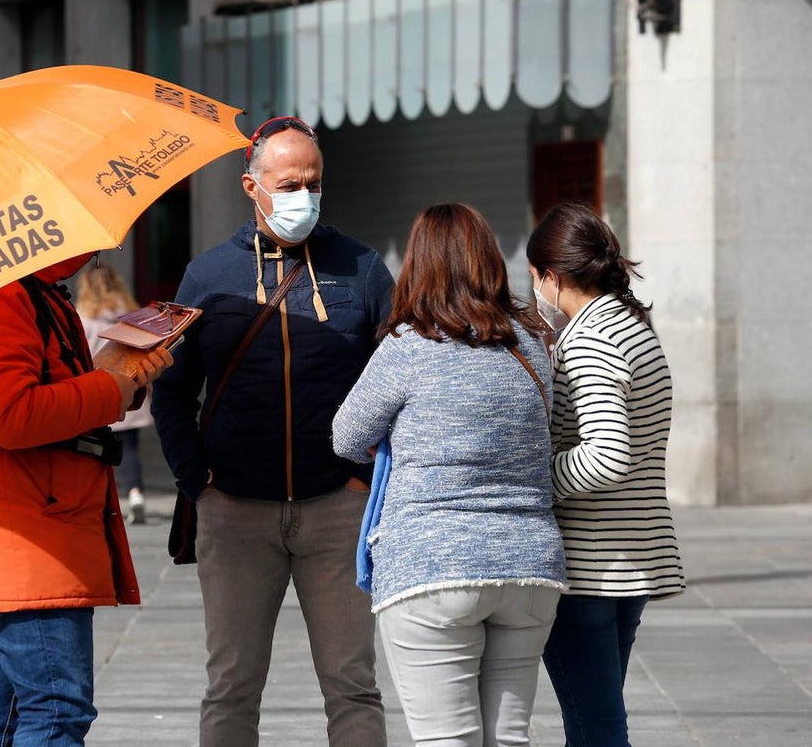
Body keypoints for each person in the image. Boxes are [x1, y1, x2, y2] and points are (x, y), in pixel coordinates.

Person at [151, 115, 393, 746]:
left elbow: (399, 379)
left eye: (314, 183)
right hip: (234, 511)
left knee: (354, 686)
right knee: (231, 688)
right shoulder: (208, 274)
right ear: (250, 186)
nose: (304, 198)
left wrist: (363, 479)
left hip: (338, 510)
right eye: (289, 184)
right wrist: (197, 481)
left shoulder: (363, 268)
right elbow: (172, 391)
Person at [331, 203, 566, 746]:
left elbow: (346, 437)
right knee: (508, 739)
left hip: (431, 568)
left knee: (446, 739)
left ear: (420, 264)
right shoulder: (531, 344)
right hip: (529, 567)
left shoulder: (410, 347)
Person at [0, 253, 172, 744]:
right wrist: (111, 383)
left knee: (1, 716)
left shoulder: (26, 290)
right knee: (55, 711)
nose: (95, 250)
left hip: (33, 521)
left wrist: (122, 375)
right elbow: (12, 416)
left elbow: (43, 389)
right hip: (24, 529)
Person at [527, 202, 686, 747]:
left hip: (590, 568)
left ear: (554, 274)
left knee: (596, 731)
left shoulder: (592, 339)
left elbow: (608, 453)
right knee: (600, 722)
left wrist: (535, 478)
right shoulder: (634, 326)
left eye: (534, 277)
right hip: (631, 558)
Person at [75, 263, 153, 524]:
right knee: (130, 449)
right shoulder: (130, 313)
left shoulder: (83, 316)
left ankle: (101, 499)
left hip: (97, 389)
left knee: (95, 449)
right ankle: (136, 494)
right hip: (130, 388)